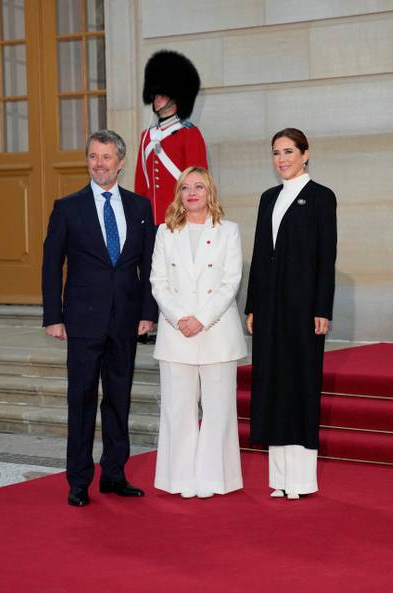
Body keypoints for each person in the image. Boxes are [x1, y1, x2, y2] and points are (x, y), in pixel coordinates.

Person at [42, 129, 157, 508]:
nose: (99, 164)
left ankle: (114, 474)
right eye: (93, 156)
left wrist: (147, 313)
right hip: (82, 320)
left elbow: (148, 265)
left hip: (125, 321)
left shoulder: (140, 208)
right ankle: (78, 480)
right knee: (82, 400)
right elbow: (50, 265)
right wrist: (53, 316)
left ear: (120, 162)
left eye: (106, 157)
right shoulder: (67, 207)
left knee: (118, 399)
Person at [245, 128, 337, 500]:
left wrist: (322, 308)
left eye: (288, 152)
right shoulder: (268, 198)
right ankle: (279, 478)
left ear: (305, 154)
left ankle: (301, 480)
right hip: (269, 309)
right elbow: (259, 256)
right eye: (276, 153)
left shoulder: (320, 197)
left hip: (303, 310)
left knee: (299, 385)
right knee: (272, 386)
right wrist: (252, 305)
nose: (281, 159)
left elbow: (325, 258)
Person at [150, 167, 246, 499]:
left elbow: (230, 282)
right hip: (176, 334)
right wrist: (180, 319)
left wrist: (201, 319)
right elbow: (158, 283)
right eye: (185, 187)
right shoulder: (165, 232)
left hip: (216, 332)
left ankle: (214, 479)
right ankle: (179, 479)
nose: (192, 192)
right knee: (177, 409)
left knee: (219, 410)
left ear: (210, 193)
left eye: (199, 186)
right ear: (178, 194)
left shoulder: (228, 231)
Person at [135, 50, 209, 226]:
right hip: (152, 221)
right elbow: (141, 184)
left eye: (162, 94)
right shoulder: (147, 136)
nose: (157, 99)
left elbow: (199, 184)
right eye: (155, 94)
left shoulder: (189, 133)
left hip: (180, 220)